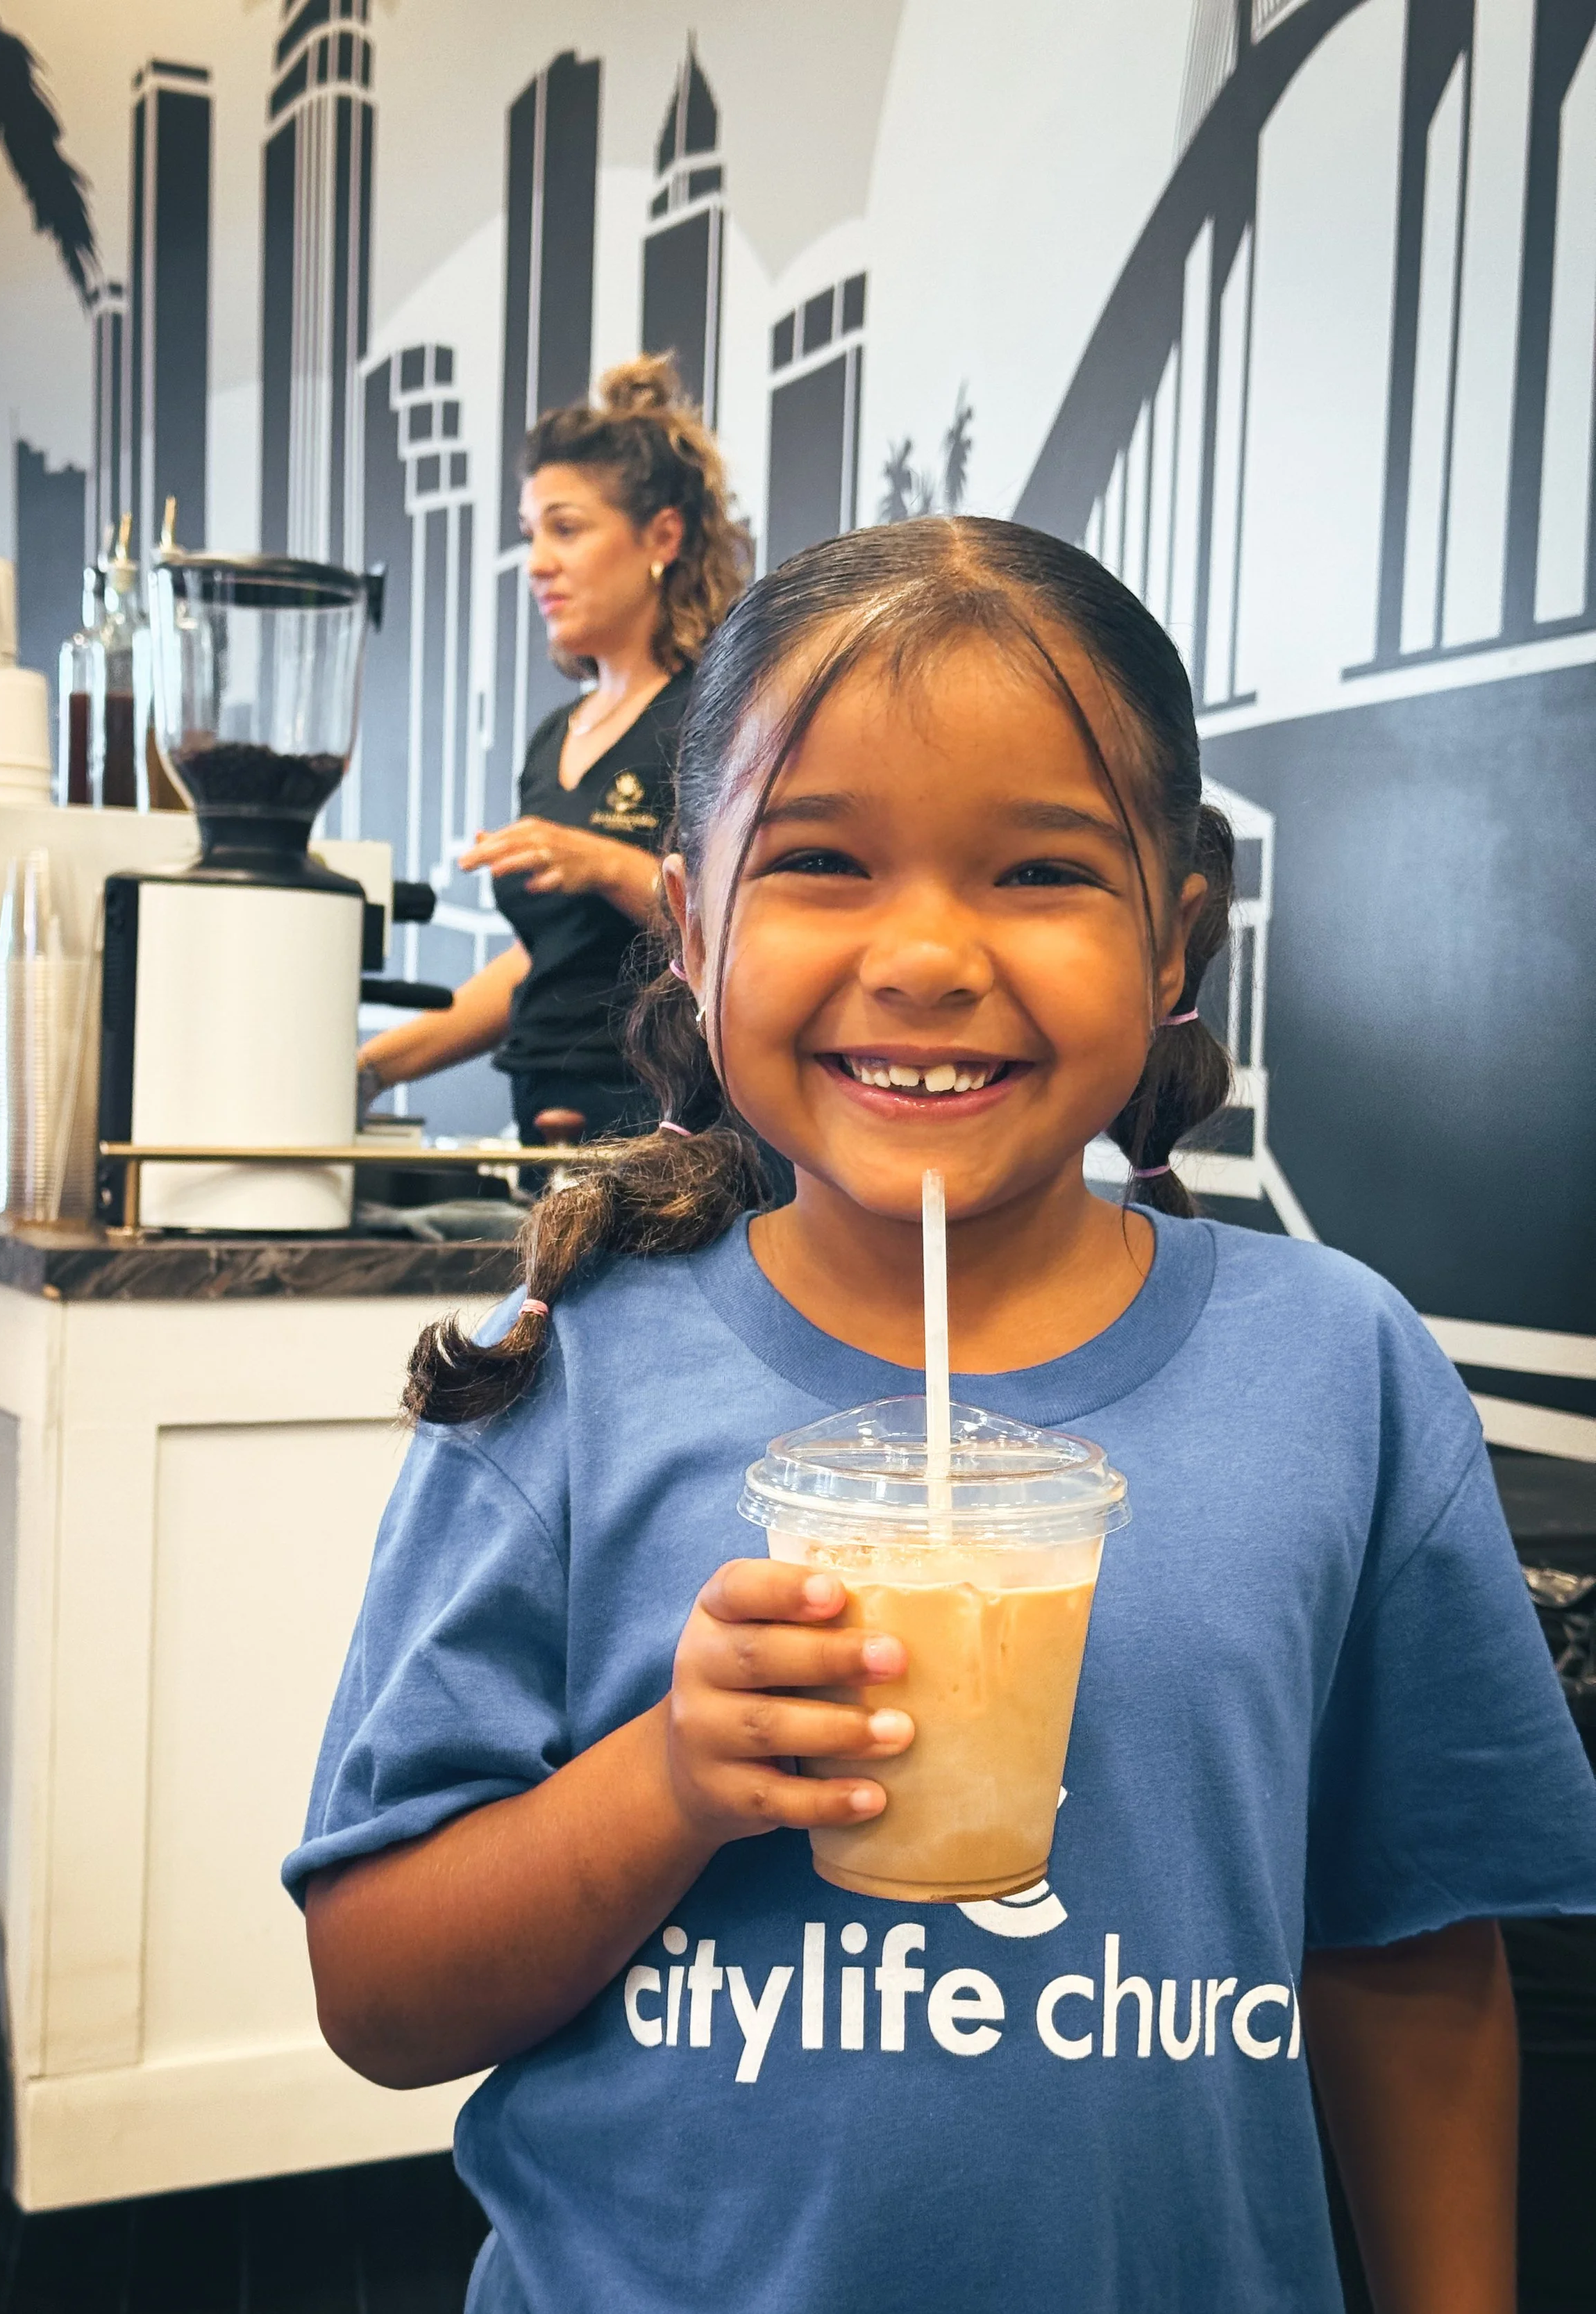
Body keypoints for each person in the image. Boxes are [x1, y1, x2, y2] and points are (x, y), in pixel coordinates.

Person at [287, 519, 1596, 2314]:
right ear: (690, 917)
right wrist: (669, 1777)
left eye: (1039, 870)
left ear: (1173, 934)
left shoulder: (1337, 1369)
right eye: (820, 859)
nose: (922, 953)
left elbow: (1411, 1953)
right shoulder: (577, 1364)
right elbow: (377, 1995)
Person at [357, 355, 751, 1146]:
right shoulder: (552, 742)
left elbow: (745, 927)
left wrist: (602, 863)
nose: (537, 562)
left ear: (662, 536)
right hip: (543, 1134)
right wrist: (368, 1072)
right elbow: (540, 964)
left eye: (566, 530)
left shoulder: (717, 714)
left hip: (669, 1137)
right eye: (531, 535)